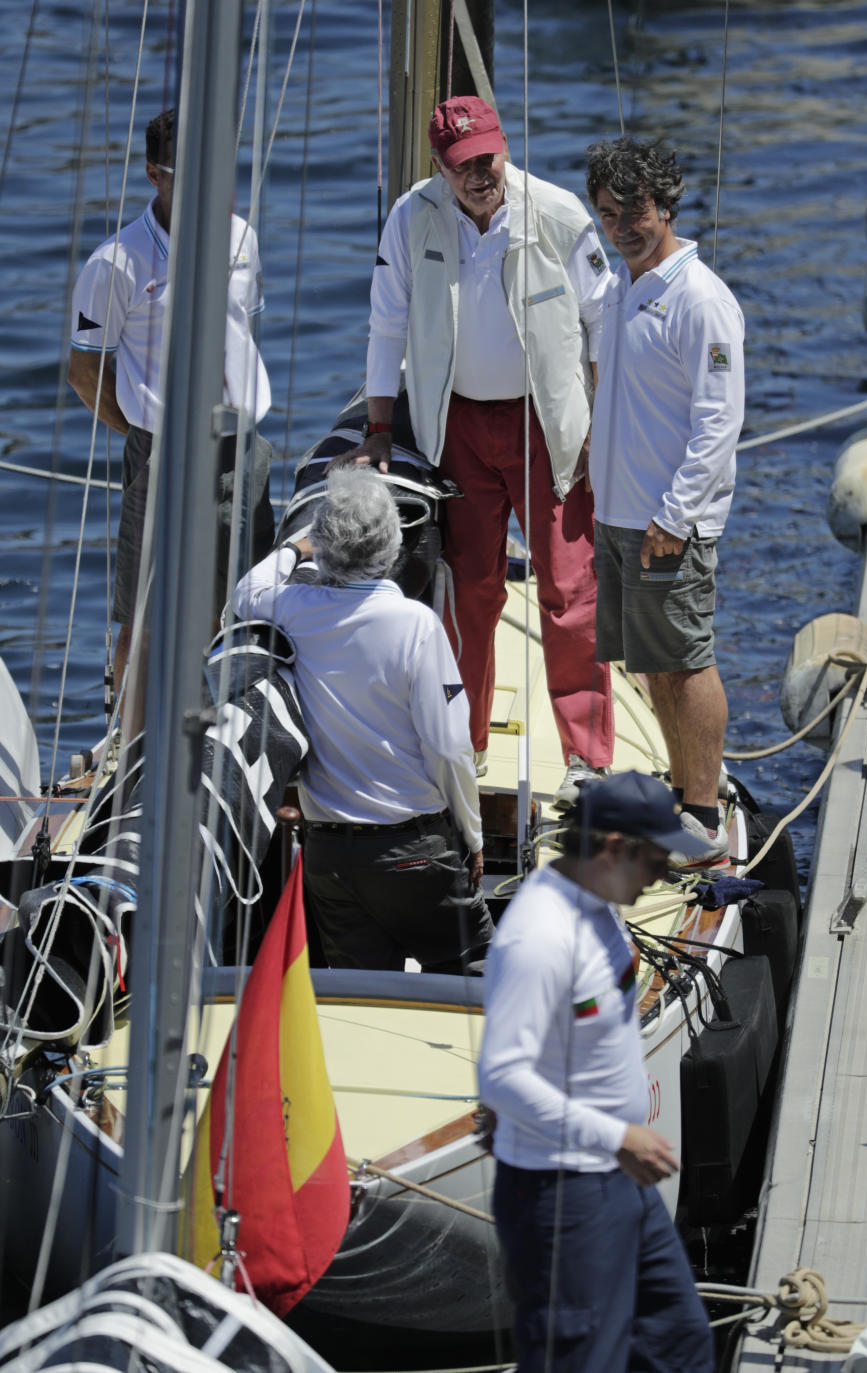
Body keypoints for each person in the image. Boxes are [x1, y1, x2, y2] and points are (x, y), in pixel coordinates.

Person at [347, 94, 616, 810]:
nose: (480, 174)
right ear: (440, 166)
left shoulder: (556, 214)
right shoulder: (412, 217)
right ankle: (463, 744)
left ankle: (588, 758)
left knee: (569, 592)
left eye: (488, 157)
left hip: (545, 423)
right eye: (464, 164)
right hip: (458, 430)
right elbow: (386, 325)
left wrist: (596, 424)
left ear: (504, 147)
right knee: (470, 592)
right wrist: (379, 427)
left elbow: (602, 324)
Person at [477, 770, 715, 1373]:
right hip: (565, 1196)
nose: (665, 873)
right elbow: (502, 1075)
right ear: (613, 849)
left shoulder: (598, 905)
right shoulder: (539, 937)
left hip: (618, 1182)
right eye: (657, 858)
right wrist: (618, 1136)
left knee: (677, 1340)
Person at [232, 467, 493, 974]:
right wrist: (473, 836)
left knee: (360, 996)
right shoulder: (416, 624)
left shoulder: (295, 608)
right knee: (477, 980)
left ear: (327, 547)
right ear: (393, 548)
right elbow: (448, 747)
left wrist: (297, 549)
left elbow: (246, 592)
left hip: (331, 857)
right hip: (415, 850)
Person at [68, 108, 274, 702]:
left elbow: (245, 332)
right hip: (162, 449)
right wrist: (140, 424)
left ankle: (217, 719)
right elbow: (85, 371)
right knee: (144, 609)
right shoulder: (115, 263)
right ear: (156, 175)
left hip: (241, 446)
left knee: (240, 599)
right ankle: (126, 733)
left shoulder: (243, 238)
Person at [585, 138, 745, 867]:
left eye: (636, 211)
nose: (622, 226)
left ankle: (705, 815)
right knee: (652, 664)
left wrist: (675, 516)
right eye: (609, 212)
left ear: (666, 206)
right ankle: (681, 797)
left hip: (666, 523)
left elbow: (720, 421)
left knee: (685, 661)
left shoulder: (700, 298)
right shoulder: (619, 285)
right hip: (619, 515)